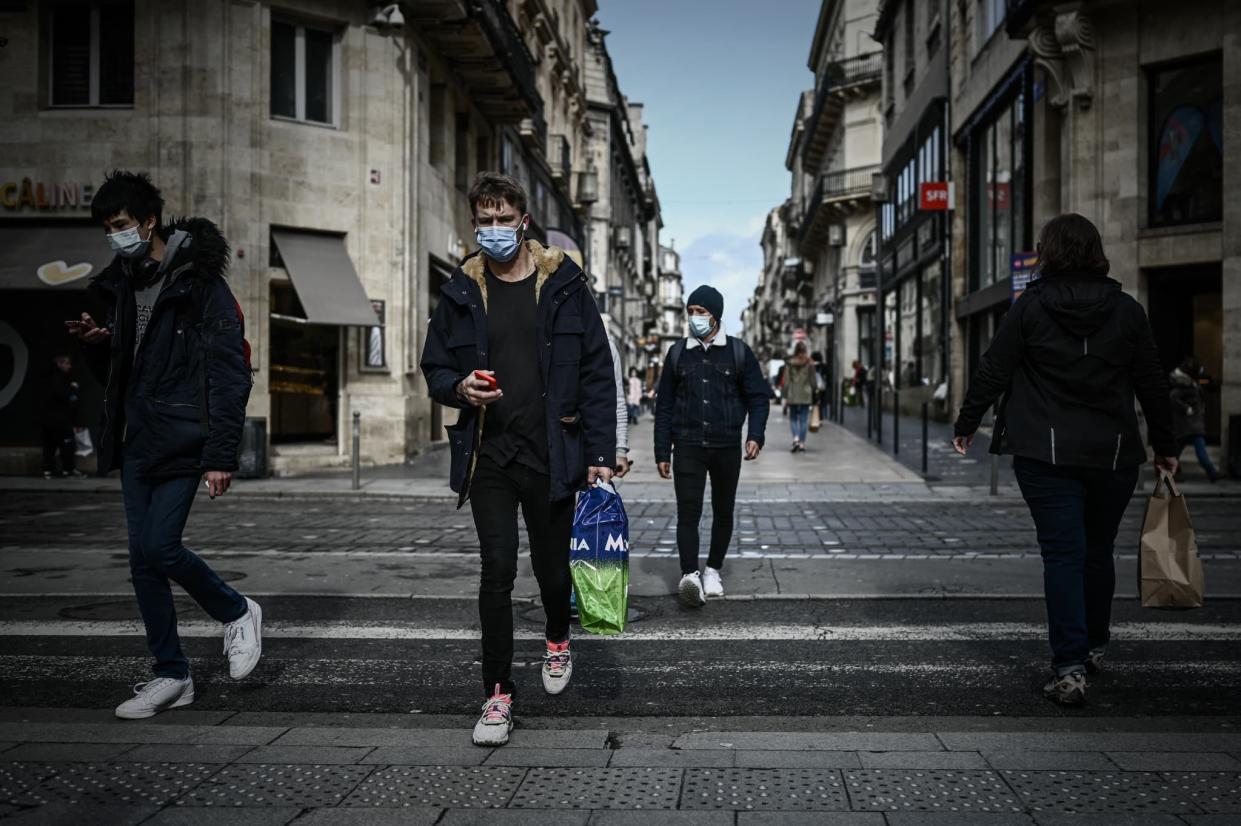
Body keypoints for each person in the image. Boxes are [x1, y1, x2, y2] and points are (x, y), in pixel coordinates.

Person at [420, 172, 615, 747]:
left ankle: (558, 635)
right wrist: (460, 388)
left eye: (505, 219)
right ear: (474, 223)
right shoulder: (461, 289)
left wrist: (602, 453)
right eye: (486, 220)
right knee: (496, 572)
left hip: (552, 454)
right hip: (490, 456)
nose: (496, 229)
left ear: (523, 221)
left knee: (554, 574)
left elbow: (597, 372)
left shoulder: (565, 284)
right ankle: (498, 695)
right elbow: (434, 369)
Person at [952, 213, 1177, 707]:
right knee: (1097, 551)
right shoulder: (1127, 311)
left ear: (1048, 252)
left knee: (1063, 554)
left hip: (1045, 453)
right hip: (1113, 454)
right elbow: (1152, 383)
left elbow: (993, 369)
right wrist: (1167, 446)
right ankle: (1094, 644)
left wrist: (967, 423)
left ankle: (1070, 666)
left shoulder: (1029, 309)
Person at [69, 170, 261, 720]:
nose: (115, 236)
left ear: (148, 221)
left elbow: (231, 371)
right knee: (142, 562)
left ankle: (238, 611)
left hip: (183, 437)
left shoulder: (199, 283)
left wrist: (223, 455)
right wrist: (98, 345)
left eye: (122, 225)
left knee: (160, 547)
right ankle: (172, 675)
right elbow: (120, 374)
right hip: (136, 439)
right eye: (108, 228)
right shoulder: (119, 286)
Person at [654, 285, 771, 607]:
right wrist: (662, 451)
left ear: (715, 315)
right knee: (687, 512)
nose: (695, 318)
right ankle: (690, 574)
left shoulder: (738, 352)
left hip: (725, 446)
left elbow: (758, 398)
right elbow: (663, 405)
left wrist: (755, 435)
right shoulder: (678, 353)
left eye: (701, 312)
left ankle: (713, 570)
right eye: (690, 312)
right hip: (688, 446)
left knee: (723, 510)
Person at [1170, 358, 1219, 482]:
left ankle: (1171, 474)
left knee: (1176, 452)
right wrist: (1187, 408)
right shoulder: (1185, 387)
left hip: (1188, 425)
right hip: (1189, 425)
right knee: (1196, 451)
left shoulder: (1190, 385)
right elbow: (1174, 398)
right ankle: (1212, 473)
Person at [39, 355, 83, 479]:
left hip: (48, 419)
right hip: (59, 420)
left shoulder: (46, 378)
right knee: (67, 444)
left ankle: (48, 470)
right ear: (59, 364)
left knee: (49, 446)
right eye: (67, 363)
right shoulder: (60, 378)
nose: (69, 366)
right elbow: (63, 395)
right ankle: (67, 470)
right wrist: (73, 389)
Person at [783, 342, 815, 452]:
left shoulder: (789, 363)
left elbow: (786, 381)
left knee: (793, 418)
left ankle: (795, 438)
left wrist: (785, 394)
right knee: (804, 419)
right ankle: (801, 443)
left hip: (793, 394)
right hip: (806, 394)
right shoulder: (810, 363)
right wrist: (815, 391)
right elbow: (813, 381)